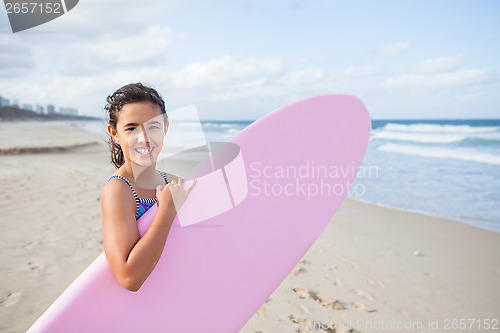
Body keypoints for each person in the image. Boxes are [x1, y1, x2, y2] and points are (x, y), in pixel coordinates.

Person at [101, 82, 196, 292]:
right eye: (131, 128)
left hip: (178, 294)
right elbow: (129, 278)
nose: (144, 138)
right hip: (143, 308)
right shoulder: (118, 191)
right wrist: (167, 210)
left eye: (153, 126)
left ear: (166, 128)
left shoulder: (174, 182)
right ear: (114, 132)